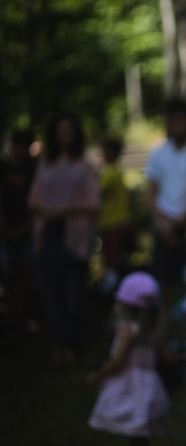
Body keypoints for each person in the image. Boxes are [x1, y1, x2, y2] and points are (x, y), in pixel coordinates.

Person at [29, 112, 100, 361]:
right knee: (51, 291)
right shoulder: (45, 163)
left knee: (75, 289)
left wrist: (66, 211)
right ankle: (60, 339)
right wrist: (47, 212)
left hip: (74, 236)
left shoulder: (84, 165)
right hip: (48, 235)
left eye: (69, 130)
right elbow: (34, 199)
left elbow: (93, 202)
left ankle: (73, 342)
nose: (65, 135)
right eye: (61, 130)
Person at [87, 272, 170, 446]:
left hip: (129, 388)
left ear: (124, 305)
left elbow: (117, 362)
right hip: (150, 388)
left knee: (135, 434)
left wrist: (98, 375)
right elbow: (169, 357)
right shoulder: (153, 332)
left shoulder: (127, 330)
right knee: (141, 436)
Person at [145, 97, 186, 311]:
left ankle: (184, 330)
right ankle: (163, 328)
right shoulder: (158, 153)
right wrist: (161, 222)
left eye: (179, 119)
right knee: (163, 283)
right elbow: (150, 193)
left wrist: (182, 218)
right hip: (163, 224)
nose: (174, 124)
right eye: (170, 120)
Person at [0, 129, 37, 334]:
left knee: (25, 270)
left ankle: (21, 315)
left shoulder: (32, 169)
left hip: (26, 229)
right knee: (7, 269)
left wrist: (26, 226)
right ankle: (9, 312)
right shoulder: (2, 167)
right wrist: (5, 226)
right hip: (5, 230)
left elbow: (36, 200)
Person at [98, 137, 132, 293]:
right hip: (117, 222)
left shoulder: (110, 173)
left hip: (113, 224)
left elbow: (97, 191)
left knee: (113, 263)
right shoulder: (116, 172)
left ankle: (114, 293)